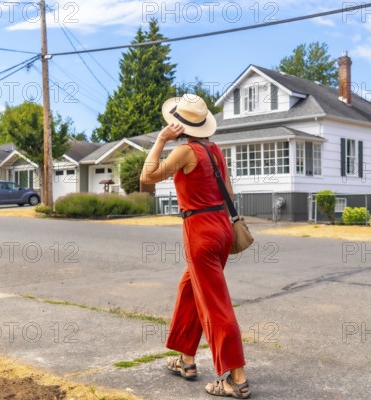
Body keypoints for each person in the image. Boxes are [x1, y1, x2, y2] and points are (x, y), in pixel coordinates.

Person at [140, 93, 251, 398]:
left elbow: (146, 178)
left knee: (215, 303)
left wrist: (160, 141)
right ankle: (187, 360)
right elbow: (227, 189)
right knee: (190, 289)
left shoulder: (185, 152)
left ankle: (236, 378)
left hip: (200, 230)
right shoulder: (214, 150)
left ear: (177, 125)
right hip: (222, 226)